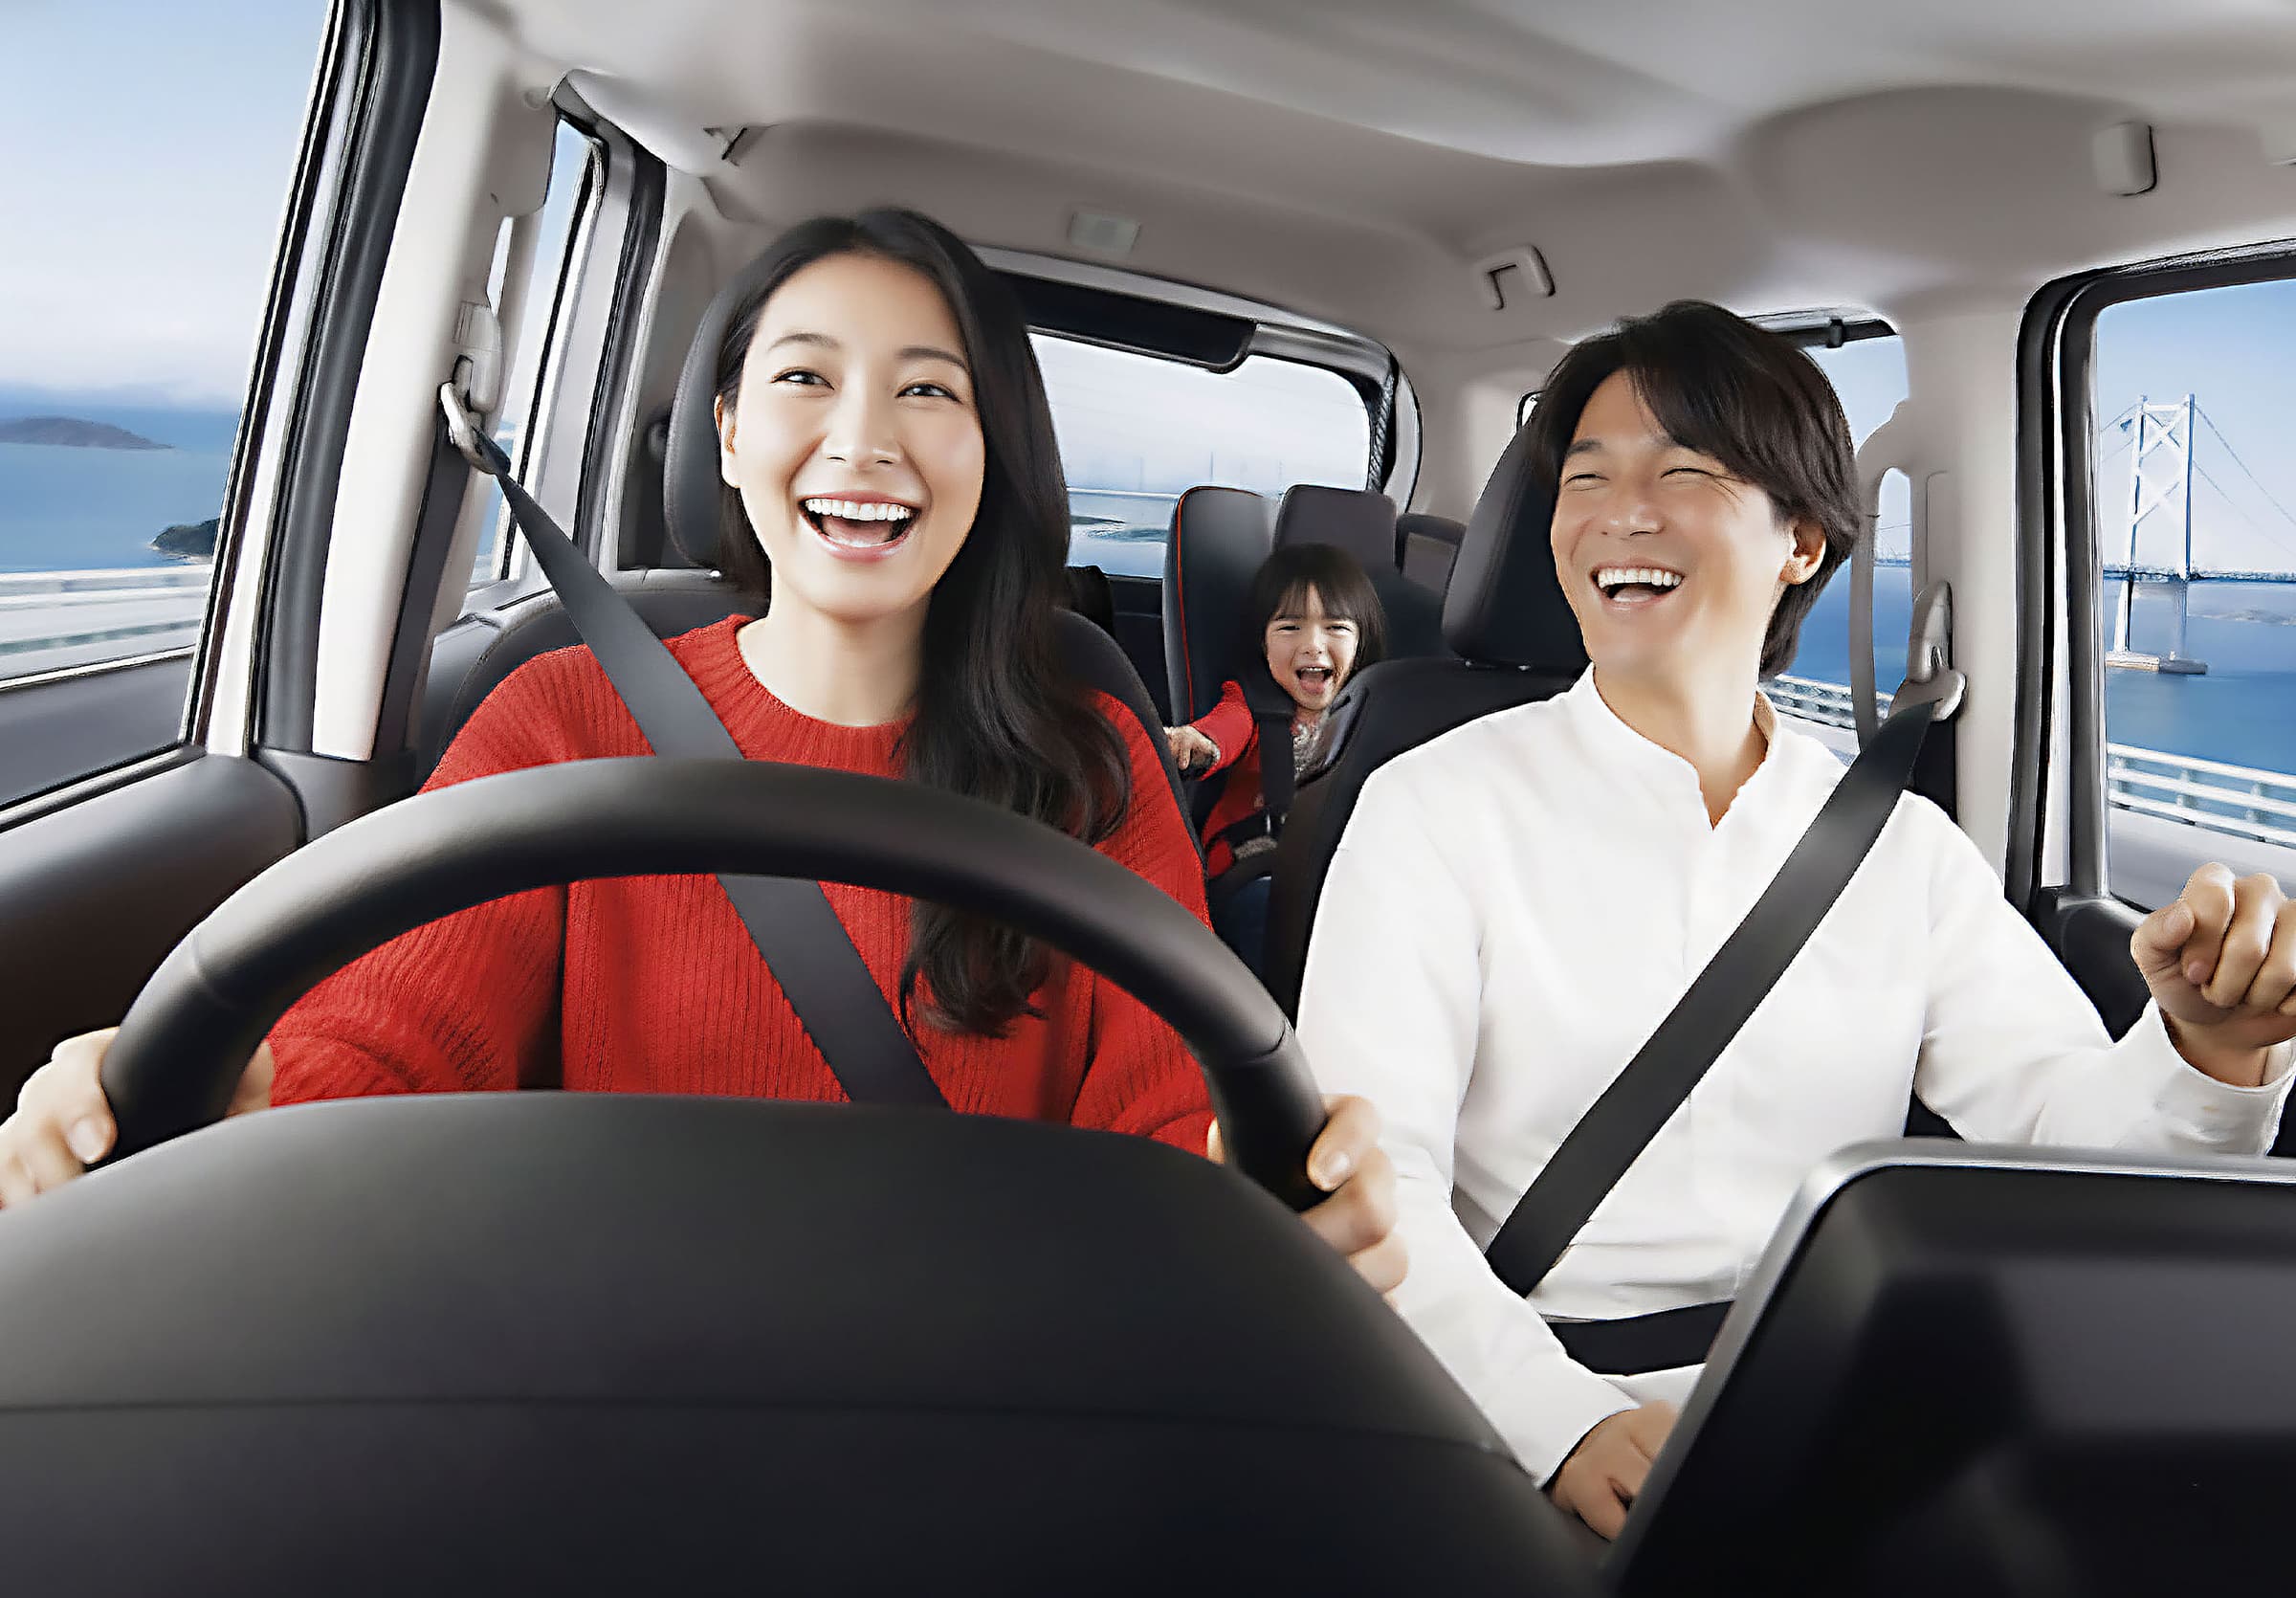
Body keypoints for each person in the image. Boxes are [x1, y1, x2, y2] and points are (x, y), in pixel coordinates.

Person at [0, 210, 1404, 1298]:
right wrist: (233, 1104)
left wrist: (1259, 1192)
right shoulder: (560, 717)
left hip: (980, 1387)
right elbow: (391, 1040)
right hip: (605, 1373)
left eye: (929, 392)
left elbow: (1170, 1116)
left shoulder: (1093, 761)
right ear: (729, 435)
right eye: (806, 378)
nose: (864, 438)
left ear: (991, 453)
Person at [1293, 300, 2296, 1538]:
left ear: (1802, 540)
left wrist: (2210, 1047)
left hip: (1841, 1415)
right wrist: (1559, 1420)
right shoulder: (1432, 806)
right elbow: (1375, 1187)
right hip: (1504, 1417)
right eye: (1586, 477)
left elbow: (2074, 1151)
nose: (1620, 512)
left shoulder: (1900, 848)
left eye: (1683, 471)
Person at [1166, 543, 1386, 972]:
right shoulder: (1250, 702)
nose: (1313, 645)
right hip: (1256, 867)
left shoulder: (1375, 712)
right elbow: (1223, 729)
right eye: (1290, 628)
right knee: (1269, 914)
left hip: (1339, 872)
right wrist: (1197, 741)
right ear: (1263, 644)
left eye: (1336, 628)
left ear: (1361, 643)